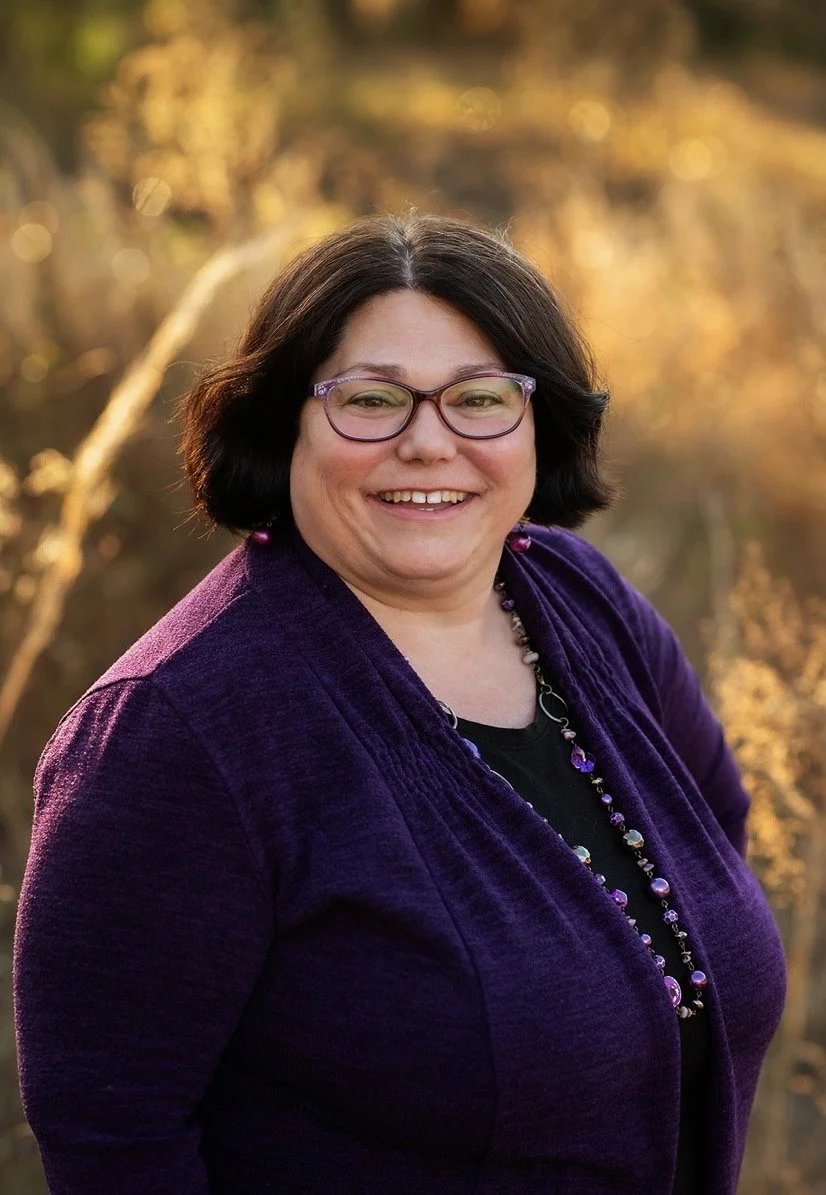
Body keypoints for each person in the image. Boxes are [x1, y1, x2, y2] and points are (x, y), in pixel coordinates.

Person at [14, 214, 785, 1195]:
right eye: (371, 400)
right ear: (279, 418)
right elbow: (115, 1141)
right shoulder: (172, 737)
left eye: (480, 399)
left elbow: (711, 835)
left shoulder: (583, 600)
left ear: (537, 424)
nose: (429, 444)